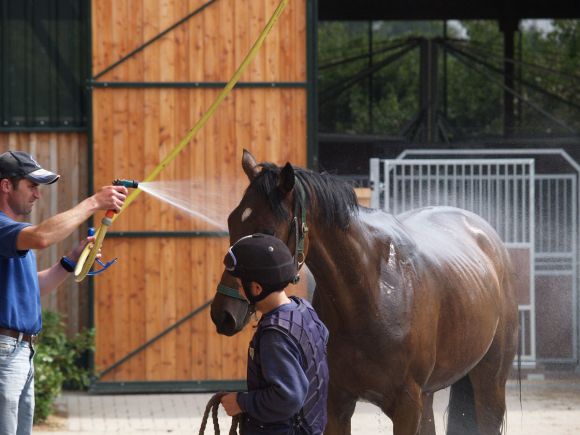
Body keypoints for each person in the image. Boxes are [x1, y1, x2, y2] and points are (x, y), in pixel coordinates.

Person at [0, 150, 127, 435]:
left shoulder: (14, 233)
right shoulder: (6, 228)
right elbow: (42, 238)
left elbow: (32, 289)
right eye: (31, 185)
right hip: (5, 351)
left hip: (21, 351)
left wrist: (70, 261)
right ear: (6, 185)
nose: (37, 194)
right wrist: (94, 203)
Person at [219, 233, 329, 435]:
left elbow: (287, 397)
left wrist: (240, 402)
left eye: (240, 286)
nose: (240, 292)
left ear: (257, 288)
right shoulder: (303, 308)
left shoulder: (275, 335)